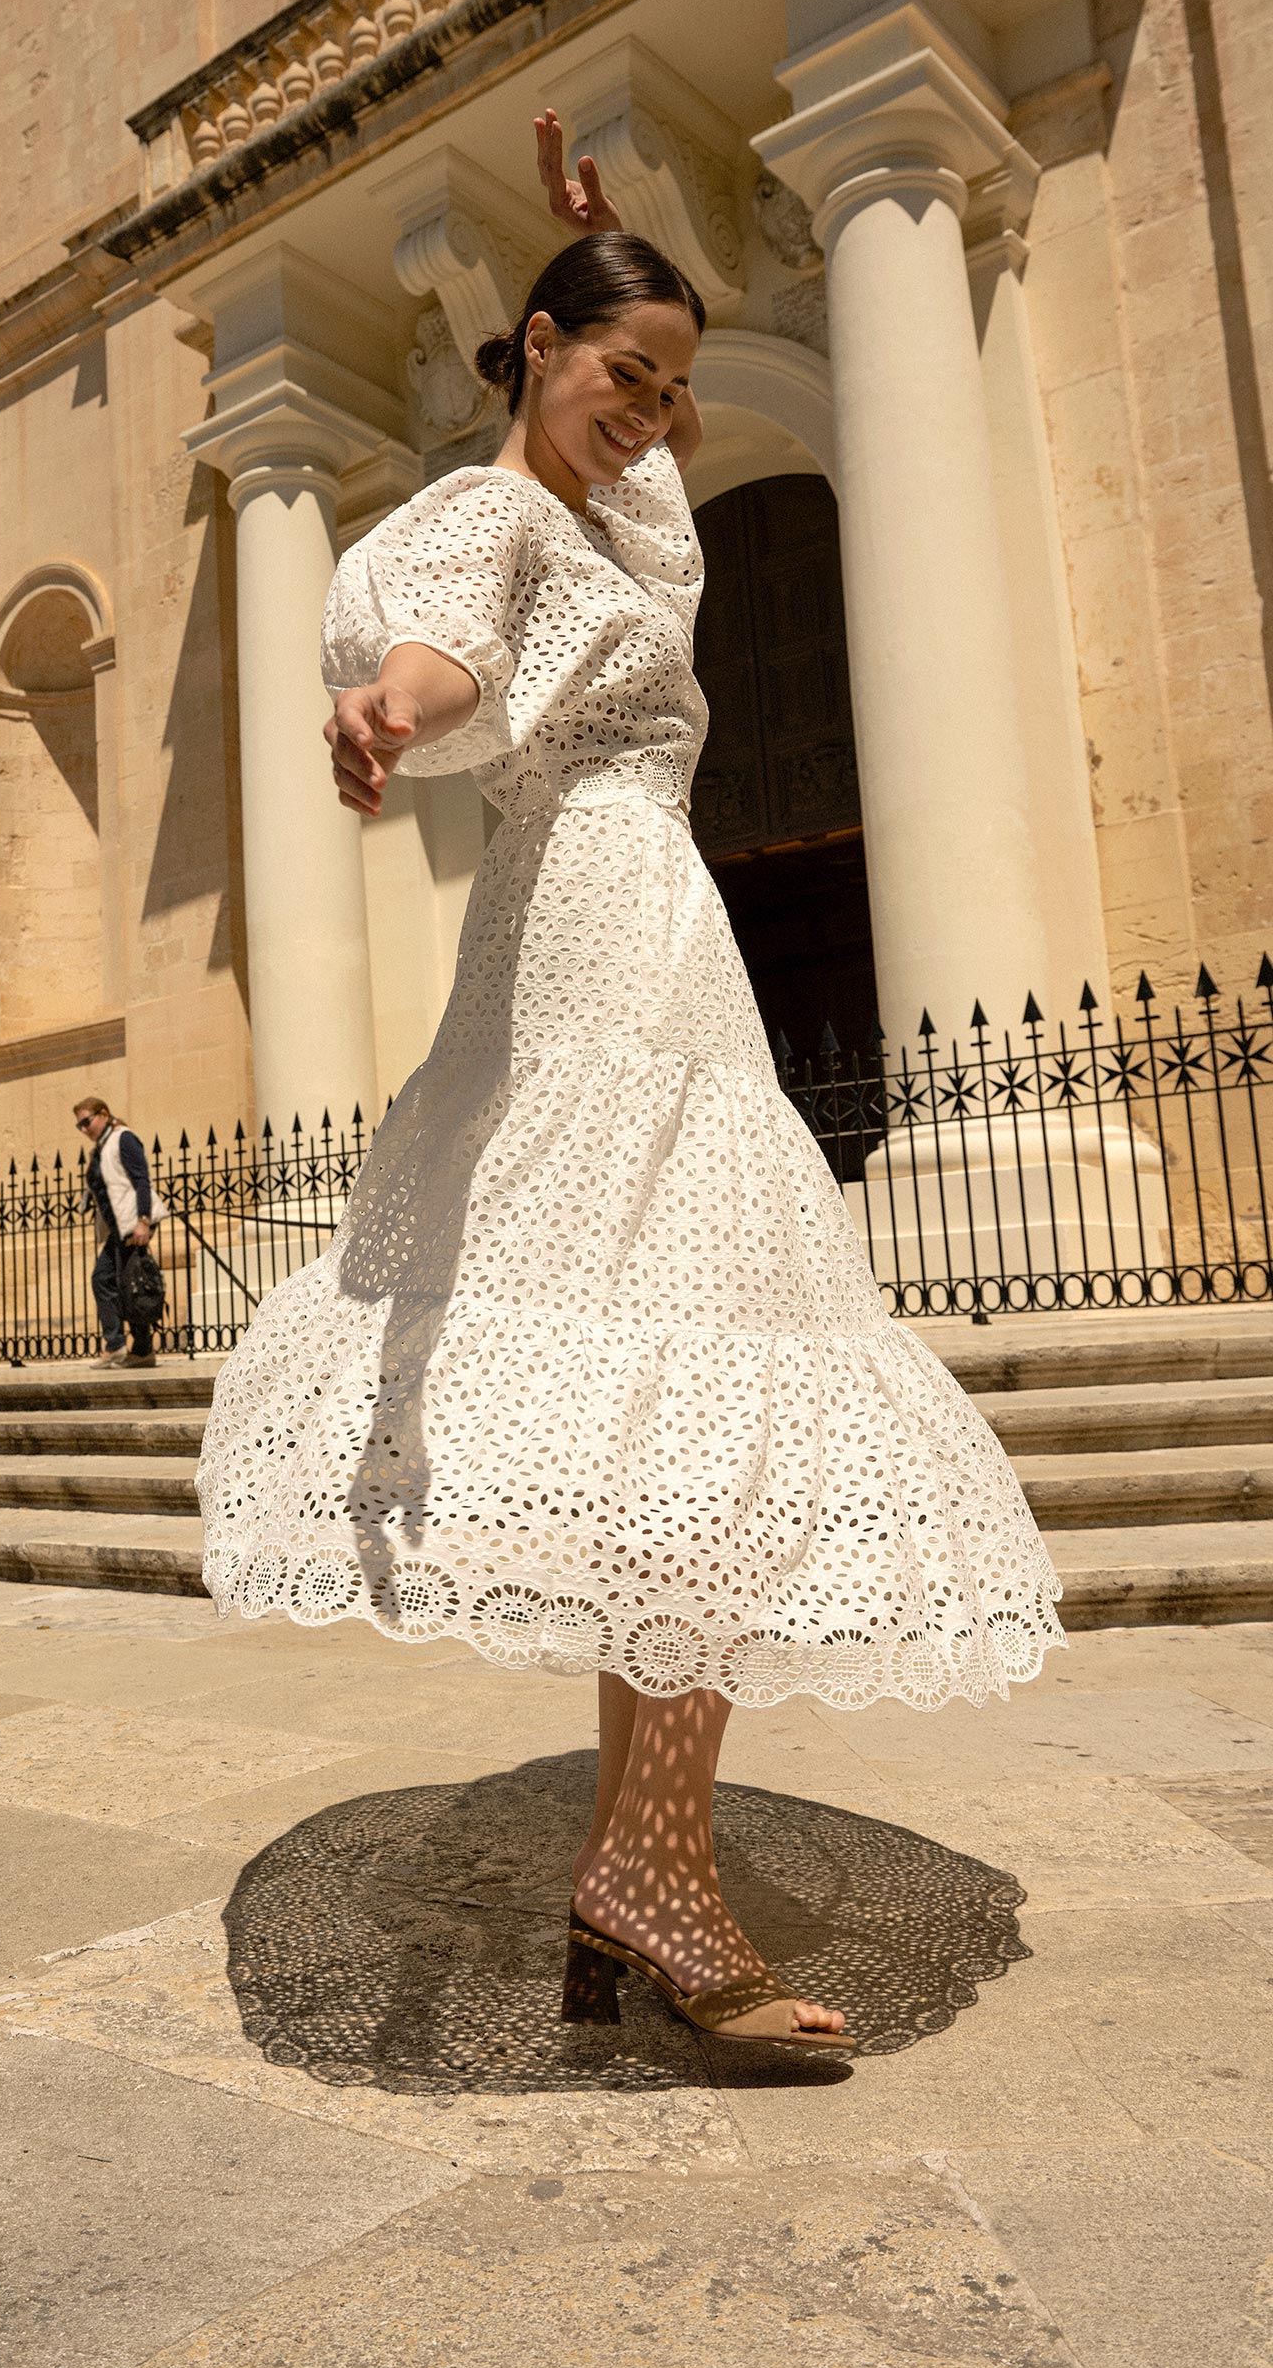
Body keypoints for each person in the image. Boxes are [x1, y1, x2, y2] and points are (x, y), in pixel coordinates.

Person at [194, 111, 1065, 2055]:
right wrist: (378, 715)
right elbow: (431, 657)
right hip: (583, 927)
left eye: (676, 385)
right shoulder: (491, 522)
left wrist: (621, 234)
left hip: (671, 934)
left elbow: (651, 522)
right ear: (528, 351)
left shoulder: (634, 519)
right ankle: (650, 1870)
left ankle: (636, 1859)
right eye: (622, 373)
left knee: (694, 1420)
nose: (653, 410)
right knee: (690, 1396)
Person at [74, 1096, 166, 1366]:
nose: (83, 1129)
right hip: (119, 1226)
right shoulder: (101, 1148)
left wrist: (144, 1220)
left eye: (86, 1122)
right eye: (79, 1125)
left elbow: (141, 1180)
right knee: (115, 1281)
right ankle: (136, 1348)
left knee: (120, 1281)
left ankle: (127, 1347)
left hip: (133, 1222)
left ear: (103, 1114)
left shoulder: (123, 1138)